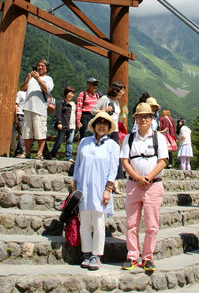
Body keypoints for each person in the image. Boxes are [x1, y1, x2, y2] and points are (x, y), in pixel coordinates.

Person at [120, 103, 169, 272]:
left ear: (151, 118)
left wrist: (148, 177)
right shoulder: (129, 138)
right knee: (131, 223)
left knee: (152, 224)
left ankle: (147, 257)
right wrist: (137, 177)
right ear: (136, 119)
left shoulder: (159, 138)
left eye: (147, 116)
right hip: (134, 185)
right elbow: (125, 161)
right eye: (140, 116)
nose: (144, 119)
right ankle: (132, 256)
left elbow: (163, 160)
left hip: (153, 185)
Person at [72, 111, 120, 271]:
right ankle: (86, 252)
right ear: (93, 125)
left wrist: (108, 189)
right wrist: (74, 187)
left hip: (101, 189)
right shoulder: (84, 142)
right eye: (98, 122)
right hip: (83, 188)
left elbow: (113, 169)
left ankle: (96, 255)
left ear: (108, 127)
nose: (101, 125)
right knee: (84, 223)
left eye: (105, 123)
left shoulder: (112, 145)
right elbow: (77, 165)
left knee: (99, 223)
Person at [20, 59, 54, 160]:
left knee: (40, 132)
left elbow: (47, 89)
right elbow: (21, 88)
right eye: (38, 66)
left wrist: (38, 79)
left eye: (42, 66)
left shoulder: (48, 79)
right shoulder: (31, 79)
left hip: (39, 109)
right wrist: (28, 79)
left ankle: (39, 153)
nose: (39, 67)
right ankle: (27, 152)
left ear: (47, 68)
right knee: (27, 132)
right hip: (27, 108)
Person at [50, 86, 77, 161]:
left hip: (72, 125)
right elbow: (58, 113)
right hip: (63, 125)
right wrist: (59, 122)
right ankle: (52, 154)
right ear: (66, 93)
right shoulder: (61, 102)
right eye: (70, 93)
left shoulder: (73, 104)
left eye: (73, 93)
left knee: (70, 141)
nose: (71, 95)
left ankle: (69, 157)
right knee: (59, 140)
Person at [14, 88, 27, 158]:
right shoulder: (20, 93)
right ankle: (23, 152)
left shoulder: (31, 93)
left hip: (28, 115)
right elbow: (16, 104)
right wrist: (15, 116)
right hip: (20, 114)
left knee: (24, 134)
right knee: (22, 134)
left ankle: (18, 151)